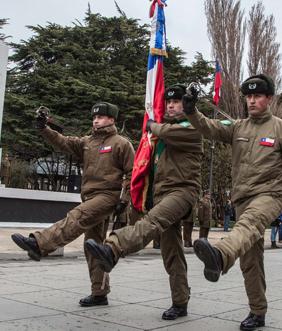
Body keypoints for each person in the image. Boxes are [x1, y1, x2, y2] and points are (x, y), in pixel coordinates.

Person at [181, 74, 282, 331]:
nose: (251, 101)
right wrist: (191, 110)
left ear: (269, 99)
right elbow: (209, 127)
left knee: (248, 225)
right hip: (242, 197)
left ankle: (220, 255)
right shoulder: (238, 127)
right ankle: (257, 311)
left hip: (271, 194)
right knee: (250, 258)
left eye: (257, 96)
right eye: (248, 96)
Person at [84, 86, 203, 320]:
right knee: (171, 251)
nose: (170, 105)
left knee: (152, 222)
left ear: (186, 104)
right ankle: (180, 301)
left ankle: (112, 248)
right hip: (161, 194)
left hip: (182, 192)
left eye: (177, 101)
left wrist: (151, 124)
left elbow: (168, 133)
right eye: (167, 101)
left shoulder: (191, 128)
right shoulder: (159, 135)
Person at [12, 102, 134, 308]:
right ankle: (99, 293)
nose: (96, 120)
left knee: (76, 217)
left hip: (107, 197)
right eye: (94, 117)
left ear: (111, 120)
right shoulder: (88, 142)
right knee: (93, 247)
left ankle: (39, 244)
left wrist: (125, 199)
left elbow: (132, 172)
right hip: (89, 197)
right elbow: (63, 142)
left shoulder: (121, 143)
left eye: (101, 117)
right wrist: (44, 128)